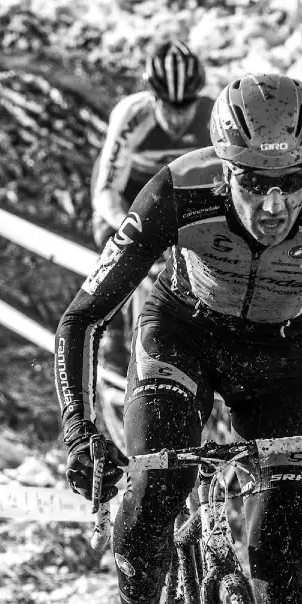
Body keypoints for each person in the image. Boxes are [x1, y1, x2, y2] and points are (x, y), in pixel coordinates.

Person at [54, 73, 302, 604]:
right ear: (223, 168)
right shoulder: (175, 192)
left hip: (280, 357)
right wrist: (80, 429)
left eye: (292, 182)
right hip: (180, 332)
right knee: (155, 484)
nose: (273, 206)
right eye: (252, 182)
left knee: (280, 559)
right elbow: (82, 319)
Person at [91, 39, 213, 373]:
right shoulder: (132, 115)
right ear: (152, 97)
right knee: (116, 244)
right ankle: (112, 335)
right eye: (169, 106)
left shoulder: (211, 116)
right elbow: (105, 192)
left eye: (186, 104)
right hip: (126, 193)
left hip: (173, 194)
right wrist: (132, 229)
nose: (177, 116)